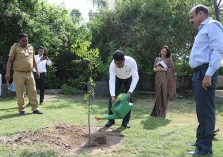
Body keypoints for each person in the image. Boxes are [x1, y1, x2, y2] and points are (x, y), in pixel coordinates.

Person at [187, 5, 223, 155]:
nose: (191, 21)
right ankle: (200, 142)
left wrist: (208, 74)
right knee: (201, 110)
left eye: (192, 17)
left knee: (206, 111)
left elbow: (219, 49)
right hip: (198, 73)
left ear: (201, 13)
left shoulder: (212, 25)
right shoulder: (202, 30)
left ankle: (204, 148)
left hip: (205, 72)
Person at [5, 33, 43, 116]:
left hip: (30, 73)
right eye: (23, 40)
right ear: (19, 40)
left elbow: (33, 61)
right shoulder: (15, 47)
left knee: (33, 91)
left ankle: (35, 109)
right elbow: (10, 60)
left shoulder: (31, 47)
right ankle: (21, 110)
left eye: (26, 40)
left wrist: (36, 71)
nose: (25, 42)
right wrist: (7, 73)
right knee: (20, 92)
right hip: (18, 73)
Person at [104, 50, 139, 128]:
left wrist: (130, 92)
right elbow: (112, 80)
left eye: (119, 63)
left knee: (128, 99)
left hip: (129, 78)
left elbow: (136, 77)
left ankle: (125, 122)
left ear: (124, 60)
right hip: (118, 78)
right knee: (111, 98)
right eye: (116, 64)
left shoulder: (131, 62)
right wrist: (113, 96)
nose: (118, 65)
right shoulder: (112, 65)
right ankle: (111, 120)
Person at [150, 46, 176, 117]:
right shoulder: (157, 59)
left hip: (165, 79)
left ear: (167, 53)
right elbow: (154, 69)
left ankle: (162, 113)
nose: (163, 53)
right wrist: (157, 69)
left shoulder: (169, 60)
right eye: (162, 51)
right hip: (157, 78)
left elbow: (171, 70)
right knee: (158, 94)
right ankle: (156, 112)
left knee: (164, 94)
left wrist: (163, 69)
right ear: (160, 51)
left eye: (165, 52)